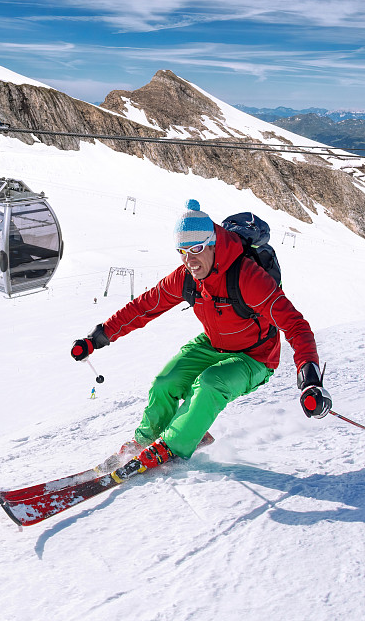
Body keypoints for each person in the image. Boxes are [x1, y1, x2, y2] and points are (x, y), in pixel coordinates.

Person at [71, 199, 332, 476]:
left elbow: (295, 325)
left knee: (209, 384)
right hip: (213, 344)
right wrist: (97, 338)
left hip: (255, 356)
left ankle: (172, 446)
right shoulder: (186, 277)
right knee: (165, 382)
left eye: (196, 249)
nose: (189, 260)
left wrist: (309, 378)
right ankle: (146, 441)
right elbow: (144, 307)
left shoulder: (247, 277)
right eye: (182, 251)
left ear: (214, 243)